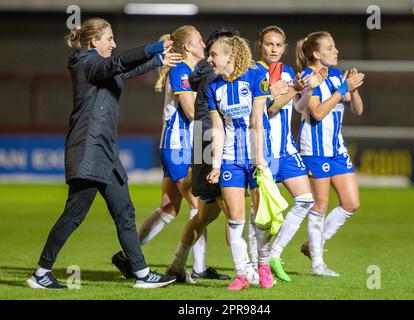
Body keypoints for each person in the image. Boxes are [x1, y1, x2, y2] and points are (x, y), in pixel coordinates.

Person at [27, 18, 182, 289]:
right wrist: (154, 48)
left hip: (105, 153)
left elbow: (123, 71)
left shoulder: (100, 66)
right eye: (109, 39)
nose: (114, 43)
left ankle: (142, 274)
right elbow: (118, 64)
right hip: (88, 150)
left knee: (125, 212)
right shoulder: (85, 63)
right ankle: (41, 273)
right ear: (93, 42)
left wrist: (158, 61)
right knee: (74, 214)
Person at [111, 25, 226, 280]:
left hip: (182, 146)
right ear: (187, 47)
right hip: (178, 147)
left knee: (169, 208)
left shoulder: (192, 71)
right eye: (199, 39)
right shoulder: (181, 70)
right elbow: (191, 111)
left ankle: (126, 256)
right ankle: (197, 268)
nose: (203, 44)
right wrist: (222, 117)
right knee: (200, 205)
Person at [165, 28, 259, 284]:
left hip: (204, 145)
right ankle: (247, 268)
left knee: (207, 214)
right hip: (213, 147)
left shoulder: (208, 73)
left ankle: (176, 264)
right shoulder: (217, 77)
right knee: (233, 211)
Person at [253, 26, 326, 282]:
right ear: (260, 44)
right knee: (262, 213)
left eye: (278, 45)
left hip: (286, 149)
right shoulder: (253, 72)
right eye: (269, 44)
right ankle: (254, 264)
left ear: (284, 47)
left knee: (305, 200)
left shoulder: (285, 71)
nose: (274, 49)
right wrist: (296, 87)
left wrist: (308, 90)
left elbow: (298, 106)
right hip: (264, 151)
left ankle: (274, 254)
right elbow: (270, 108)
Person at [206, 35, 275, 290]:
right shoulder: (213, 88)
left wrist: (259, 159)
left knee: (261, 217)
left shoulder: (257, 77)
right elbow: (217, 129)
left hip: (258, 156)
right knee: (235, 218)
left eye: (214, 54)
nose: (209, 59)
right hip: (230, 160)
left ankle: (264, 264)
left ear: (230, 58)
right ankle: (242, 273)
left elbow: (258, 120)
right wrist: (215, 165)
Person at [296, 31, 365, 276]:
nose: (336, 51)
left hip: (336, 149)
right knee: (321, 204)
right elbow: (316, 113)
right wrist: (342, 89)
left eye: (334, 46)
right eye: (330, 47)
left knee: (351, 203)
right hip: (314, 149)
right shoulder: (307, 77)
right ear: (316, 54)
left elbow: (357, 110)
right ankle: (317, 264)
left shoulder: (337, 76)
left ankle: (313, 245)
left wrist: (353, 89)